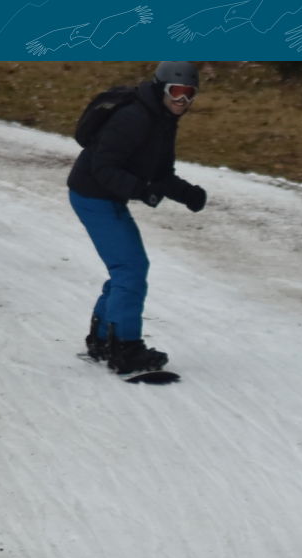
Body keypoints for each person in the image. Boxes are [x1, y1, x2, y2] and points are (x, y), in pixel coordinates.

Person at [68, 61, 208, 375]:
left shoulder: (163, 119)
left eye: (189, 94)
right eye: (176, 92)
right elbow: (103, 166)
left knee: (128, 269)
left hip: (106, 196)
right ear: (161, 89)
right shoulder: (134, 118)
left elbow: (161, 174)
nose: (182, 100)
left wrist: (188, 194)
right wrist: (141, 191)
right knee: (130, 269)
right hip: (92, 196)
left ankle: (103, 339)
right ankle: (125, 349)